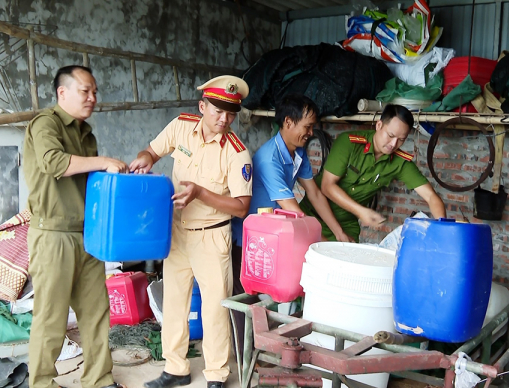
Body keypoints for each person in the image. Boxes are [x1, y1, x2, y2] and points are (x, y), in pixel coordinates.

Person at [130, 75, 252, 388]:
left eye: (230, 114)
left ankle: (216, 375)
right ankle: (176, 368)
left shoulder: (237, 152)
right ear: (202, 106)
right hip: (177, 232)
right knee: (174, 303)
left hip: (212, 236)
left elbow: (241, 207)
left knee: (214, 310)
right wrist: (143, 160)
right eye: (217, 111)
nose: (224, 119)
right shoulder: (181, 126)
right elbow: (152, 152)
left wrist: (199, 193)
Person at [23, 65, 128, 388]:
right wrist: (104, 161)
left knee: (96, 312)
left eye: (95, 91)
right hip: (53, 235)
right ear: (62, 92)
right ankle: (41, 382)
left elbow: (91, 184)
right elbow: (53, 162)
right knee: (51, 317)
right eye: (85, 91)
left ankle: (99, 378)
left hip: (88, 234)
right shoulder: (46, 124)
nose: (93, 98)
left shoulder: (87, 134)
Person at [229, 94, 351, 358]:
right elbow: (290, 206)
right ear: (287, 122)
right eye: (307, 127)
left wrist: (338, 232)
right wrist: (318, 242)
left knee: (274, 295)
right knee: (245, 298)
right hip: (250, 239)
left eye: (312, 128)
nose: (310, 133)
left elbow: (315, 195)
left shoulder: (298, 153)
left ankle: (269, 349)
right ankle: (247, 359)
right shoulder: (269, 158)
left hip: (273, 236)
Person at [300, 104, 446, 242]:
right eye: (390, 135)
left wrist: (443, 232)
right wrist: (361, 212)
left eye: (401, 140)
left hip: (346, 224)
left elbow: (431, 197)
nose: (393, 144)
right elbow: (327, 186)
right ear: (379, 125)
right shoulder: (349, 143)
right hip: (312, 214)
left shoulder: (400, 162)